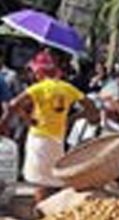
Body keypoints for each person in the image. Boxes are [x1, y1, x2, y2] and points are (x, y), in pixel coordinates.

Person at [9, 58, 81, 201]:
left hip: (39, 137)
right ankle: (51, 209)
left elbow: (13, 104)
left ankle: (40, 211)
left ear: (40, 73)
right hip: (58, 139)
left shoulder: (38, 88)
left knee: (40, 181)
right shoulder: (67, 88)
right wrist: (72, 119)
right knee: (55, 180)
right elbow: (91, 108)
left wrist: (28, 119)